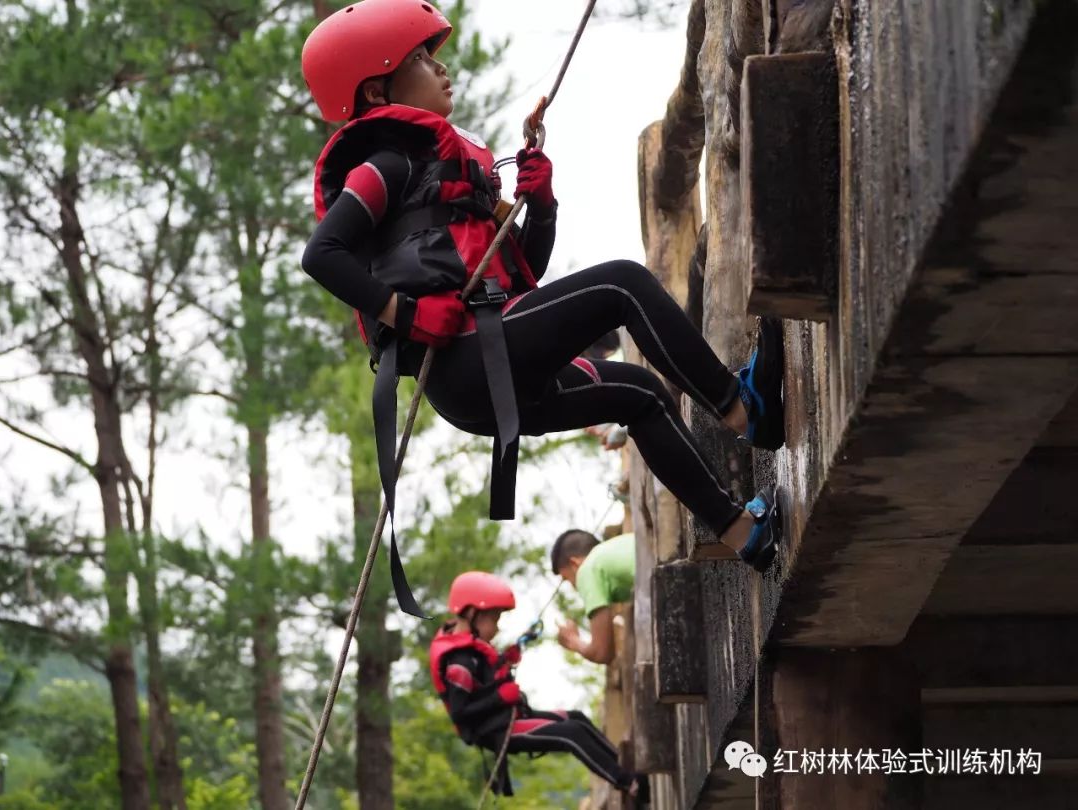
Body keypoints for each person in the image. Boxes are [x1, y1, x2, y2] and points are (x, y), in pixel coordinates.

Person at [299, 0, 785, 586]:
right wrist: (409, 313)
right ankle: (742, 408)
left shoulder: (439, 170)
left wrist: (543, 205)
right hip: (467, 360)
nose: (442, 68)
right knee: (622, 283)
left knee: (637, 392)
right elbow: (321, 254)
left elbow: (523, 272)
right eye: (422, 59)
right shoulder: (380, 167)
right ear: (377, 93)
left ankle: (743, 534)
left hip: (486, 358)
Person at [430, 571, 650, 801]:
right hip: (495, 730)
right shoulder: (459, 663)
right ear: (473, 613)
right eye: (494, 620)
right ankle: (631, 784)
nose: (497, 628)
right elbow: (460, 713)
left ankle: (625, 768)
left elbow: (485, 677)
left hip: (509, 716)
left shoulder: (470, 647)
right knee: (571, 734)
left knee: (576, 718)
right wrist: (500, 698)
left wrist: (509, 657)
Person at [550, 530, 634, 665]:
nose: (574, 587)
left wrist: (573, 640)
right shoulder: (619, 546)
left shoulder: (587, 569)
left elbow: (602, 653)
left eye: (567, 579)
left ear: (574, 564)